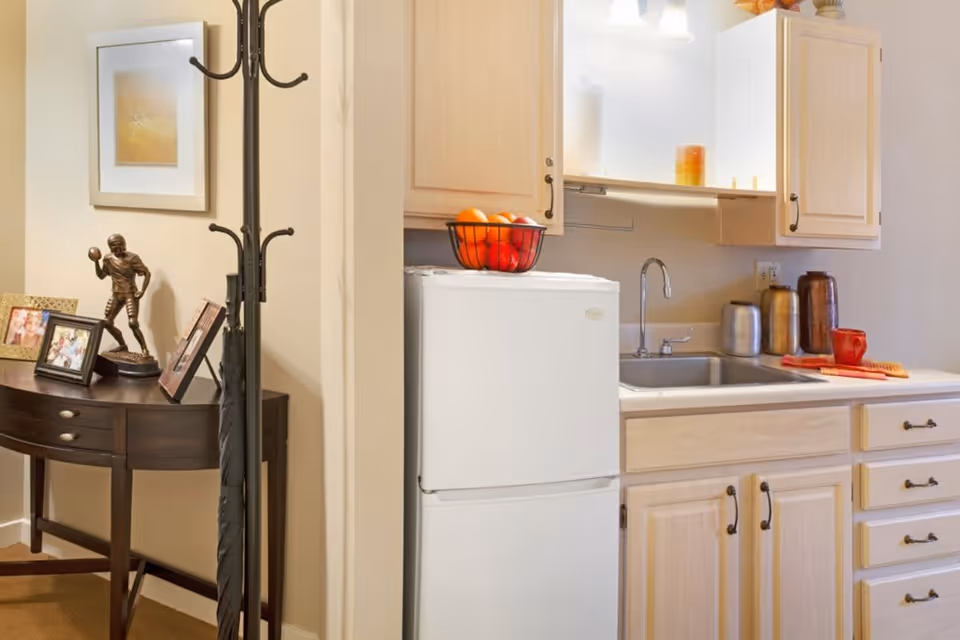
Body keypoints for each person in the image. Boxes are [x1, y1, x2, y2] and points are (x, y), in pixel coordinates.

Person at [90, 234, 152, 356]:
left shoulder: (132, 258)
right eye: (113, 244)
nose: (117, 246)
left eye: (119, 243)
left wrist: (142, 290)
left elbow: (147, 273)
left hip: (130, 294)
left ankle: (144, 349)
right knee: (107, 323)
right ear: (110, 246)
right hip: (116, 294)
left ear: (124, 244)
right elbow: (102, 275)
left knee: (133, 323)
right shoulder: (108, 259)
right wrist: (96, 262)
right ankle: (123, 345)